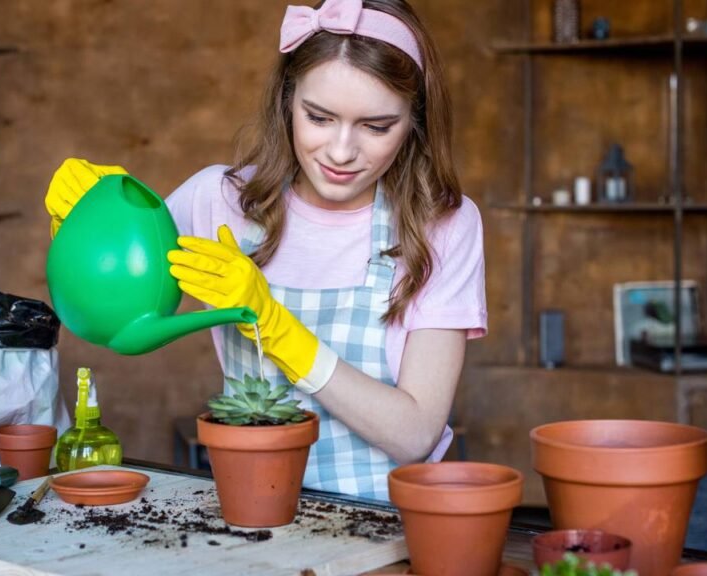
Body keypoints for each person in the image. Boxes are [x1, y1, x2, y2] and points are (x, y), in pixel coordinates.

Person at [44, 0, 486, 502]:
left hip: (383, 527)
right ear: (287, 101)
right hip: (250, 511)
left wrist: (277, 328)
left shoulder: (443, 226)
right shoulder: (220, 202)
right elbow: (109, 319)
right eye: (319, 118)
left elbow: (414, 436)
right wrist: (84, 221)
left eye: (376, 126)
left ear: (415, 122)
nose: (341, 152)